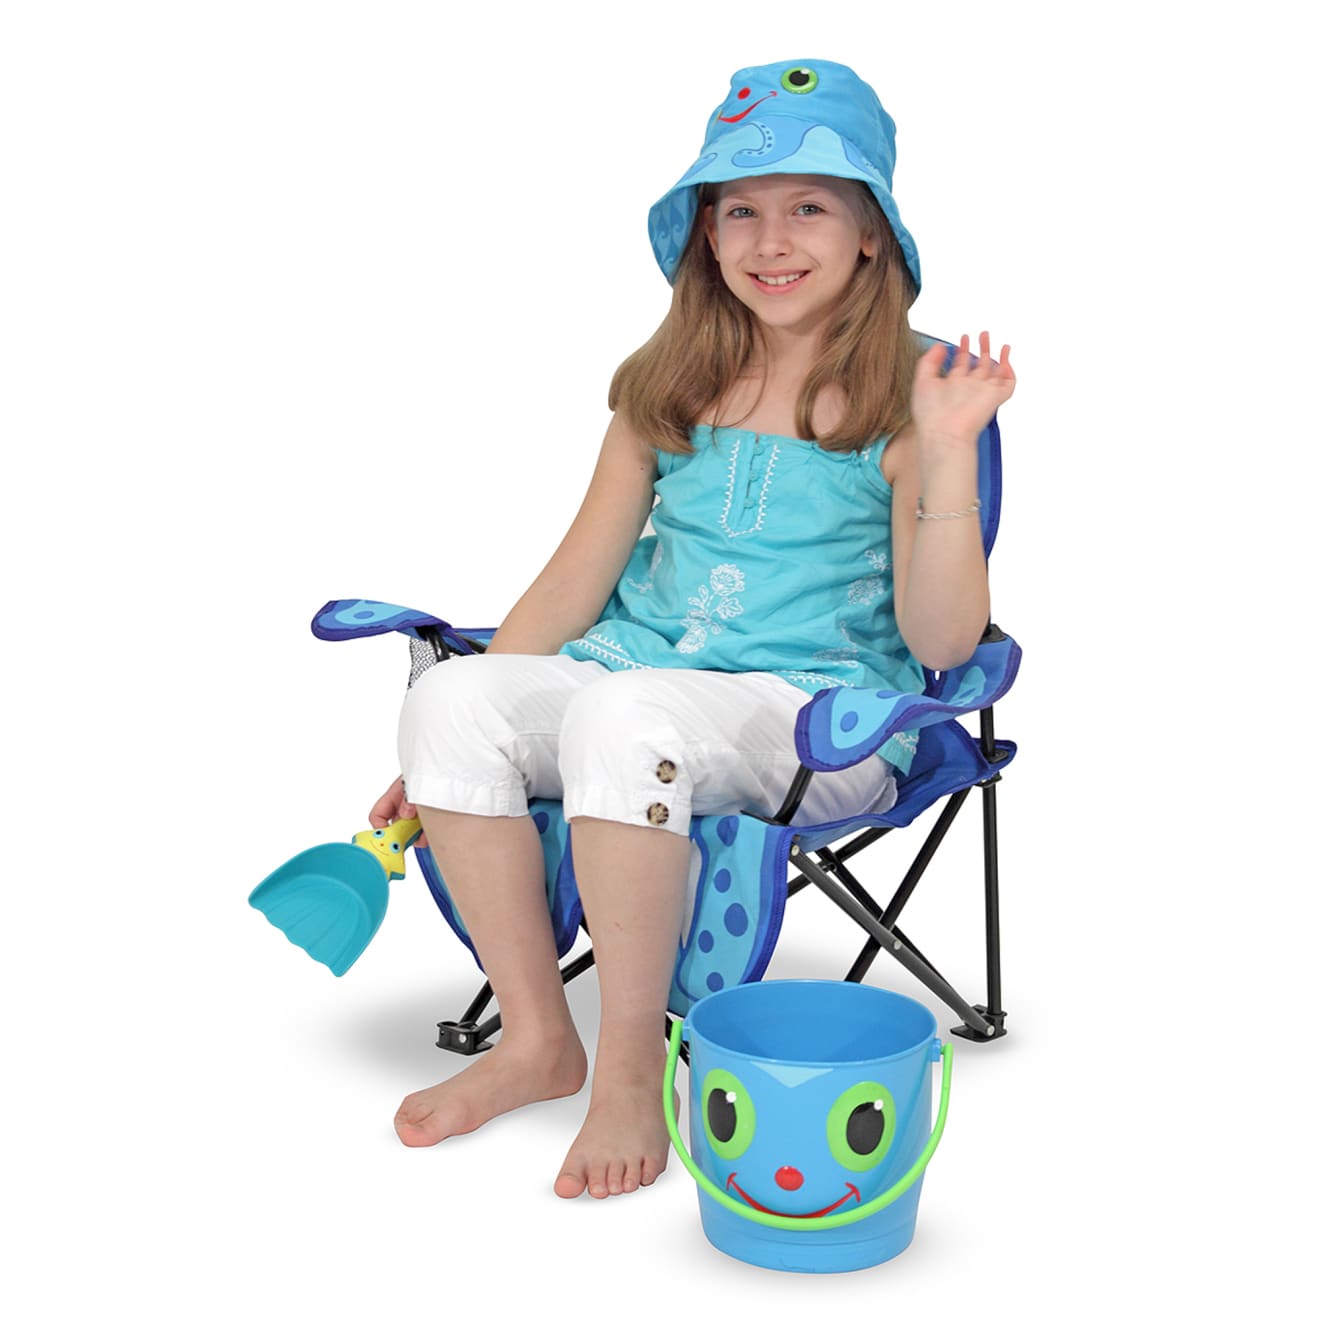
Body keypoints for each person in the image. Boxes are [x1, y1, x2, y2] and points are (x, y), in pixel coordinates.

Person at [368, 58, 1015, 1201]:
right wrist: (446, 752)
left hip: (819, 720)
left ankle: (628, 1075)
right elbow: (571, 586)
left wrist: (952, 448)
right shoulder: (667, 385)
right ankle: (538, 1040)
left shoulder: (909, 399)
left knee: (626, 715)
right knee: (453, 696)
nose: (772, 239)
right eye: (740, 210)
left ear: (872, 234)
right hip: (638, 682)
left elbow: (944, 639)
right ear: (706, 235)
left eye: (810, 206)